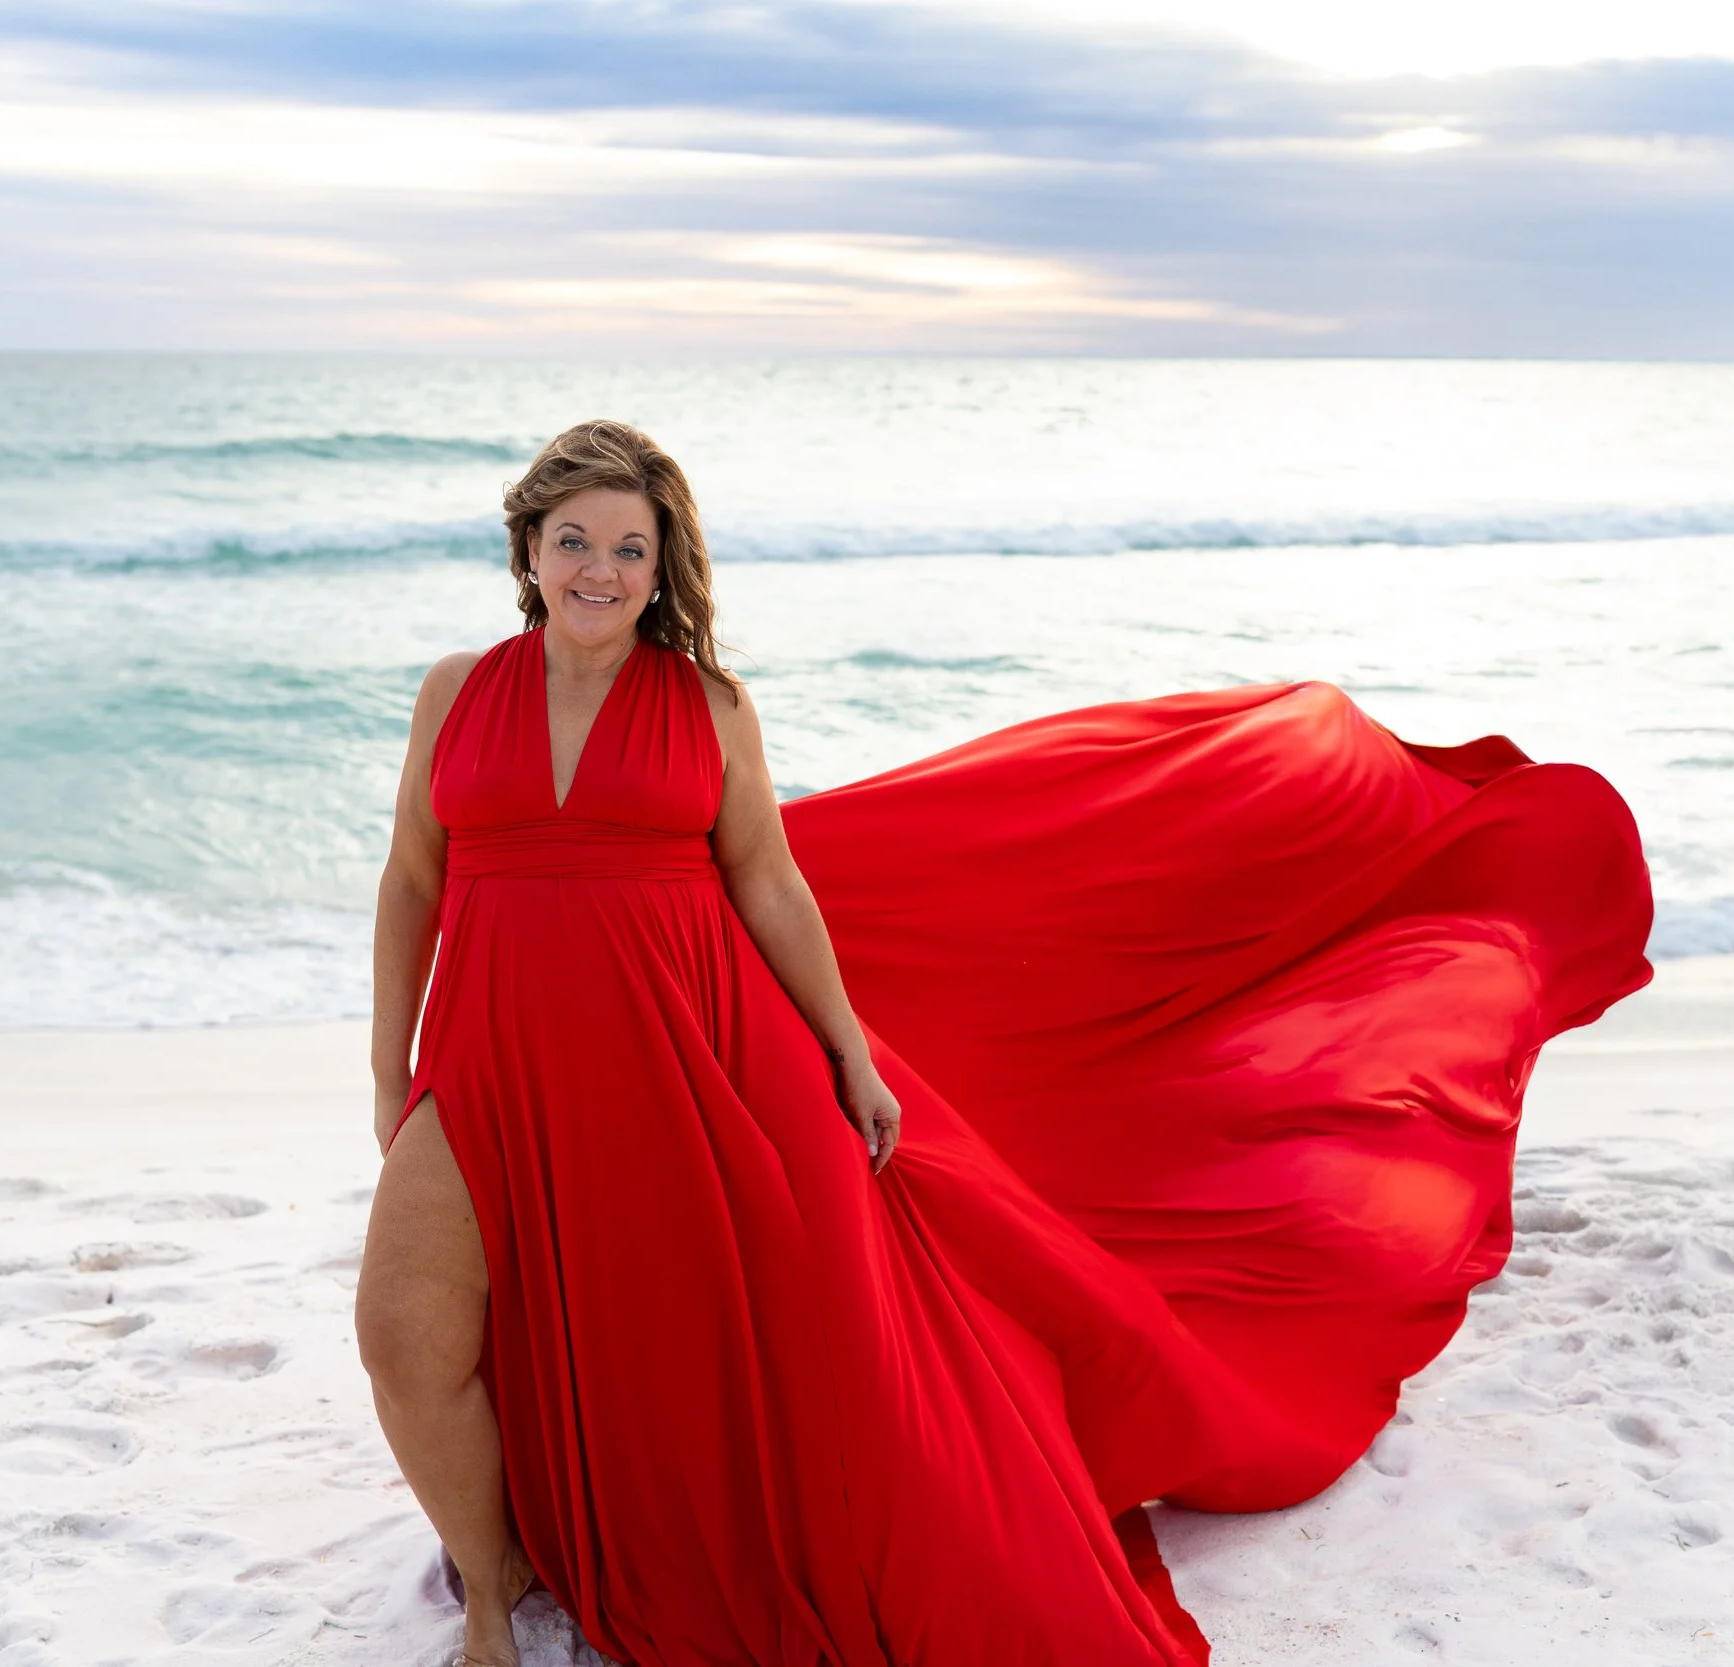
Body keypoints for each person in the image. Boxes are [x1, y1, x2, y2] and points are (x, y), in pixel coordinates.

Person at [357, 420, 1653, 1667]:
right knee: (404, 1336)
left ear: (662, 569)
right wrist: (391, 1070)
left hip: (696, 1064)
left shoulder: (704, 704)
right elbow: (414, 880)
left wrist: (850, 1054)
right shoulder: (458, 694)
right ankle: (496, 1574)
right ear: (528, 549)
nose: (599, 569)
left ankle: (619, 1559)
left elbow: (770, 887)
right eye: (573, 539)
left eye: (629, 547)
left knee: (769, 1352)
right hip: (488, 1067)